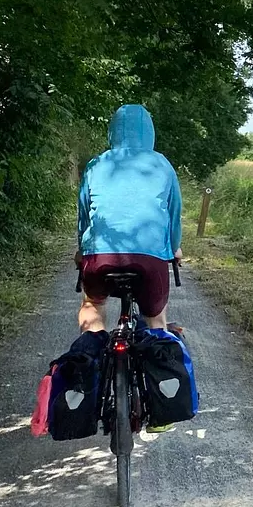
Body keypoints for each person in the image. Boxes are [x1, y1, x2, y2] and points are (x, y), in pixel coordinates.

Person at [76, 104, 183, 334]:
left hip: (98, 256)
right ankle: (158, 357)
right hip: (151, 258)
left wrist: (81, 250)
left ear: (112, 132)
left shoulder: (96, 164)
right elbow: (173, 215)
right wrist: (174, 248)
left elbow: (84, 216)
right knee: (156, 317)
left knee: (92, 305)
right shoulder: (162, 164)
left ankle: (89, 358)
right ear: (150, 132)